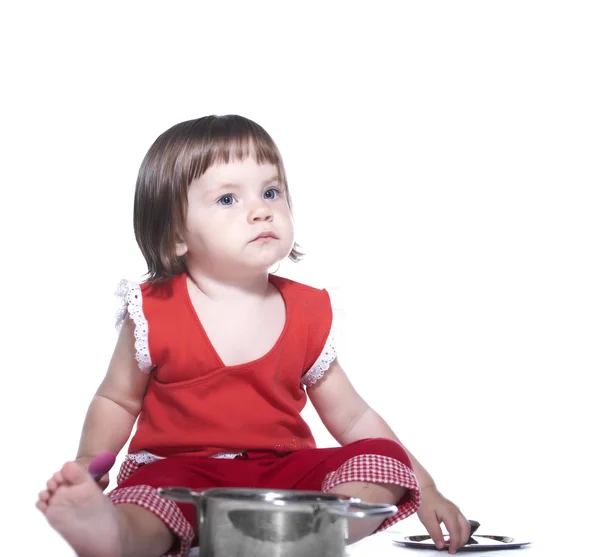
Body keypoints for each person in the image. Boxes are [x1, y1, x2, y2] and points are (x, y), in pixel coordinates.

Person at [36, 115, 471, 557]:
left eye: (270, 191)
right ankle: (116, 534)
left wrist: (427, 487)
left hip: (283, 482)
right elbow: (117, 399)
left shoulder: (306, 311)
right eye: (227, 198)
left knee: (384, 460)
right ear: (175, 235)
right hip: (183, 477)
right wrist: (88, 460)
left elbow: (355, 419)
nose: (261, 209)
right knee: (150, 502)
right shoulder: (154, 311)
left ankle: (301, 530)